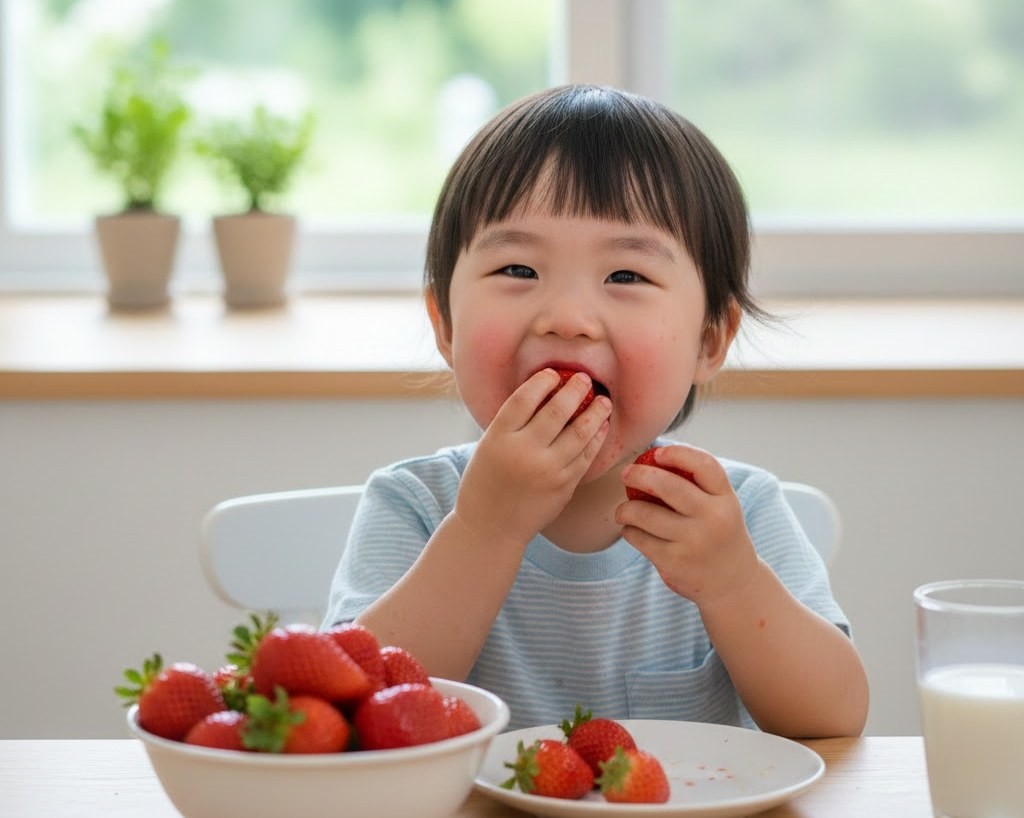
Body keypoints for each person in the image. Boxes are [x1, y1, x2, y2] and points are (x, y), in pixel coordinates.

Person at [323, 84, 869, 737]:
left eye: (626, 277)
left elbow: (834, 720)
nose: (569, 319)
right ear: (444, 324)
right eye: (519, 269)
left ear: (709, 339)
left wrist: (732, 584)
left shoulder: (736, 515)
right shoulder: (414, 504)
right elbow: (354, 715)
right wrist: (484, 530)